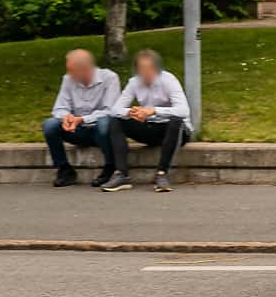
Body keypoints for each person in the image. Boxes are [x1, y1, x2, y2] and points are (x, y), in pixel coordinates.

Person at [101, 49, 192, 193]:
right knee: (115, 121)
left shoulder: (169, 80)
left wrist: (154, 110)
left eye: (149, 68)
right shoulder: (134, 83)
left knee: (176, 120)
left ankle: (162, 174)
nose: (145, 72)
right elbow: (115, 109)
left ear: (157, 68)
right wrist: (132, 112)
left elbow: (183, 111)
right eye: (142, 69)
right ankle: (121, 174)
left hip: (174, 130)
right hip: (150, 127)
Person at [43, 48, 122, 188]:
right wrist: (67, 118)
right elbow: (59, 108)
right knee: (49, 125)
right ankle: (64, 170)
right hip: (77, 129)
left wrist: (82, 119)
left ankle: (110, 167)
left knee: (104, 123)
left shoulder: (109, 78)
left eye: (71, 70)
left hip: (102, 132)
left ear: (84, 69)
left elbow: (111, 111)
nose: (69, 74)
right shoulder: (68, 80)